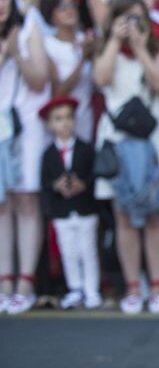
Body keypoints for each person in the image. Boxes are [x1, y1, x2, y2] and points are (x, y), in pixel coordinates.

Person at [93, 0, 159, 314]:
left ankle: (156, 286)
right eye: (124, 16)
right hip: (117, 137)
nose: (130, 23)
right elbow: (101, 78)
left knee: (155, 212)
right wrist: (114, 41)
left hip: (154, 137)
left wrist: (141, 46)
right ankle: (132, 286)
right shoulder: (104, 47)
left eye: (136, 16)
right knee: (124, 216)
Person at [0, 0, 50, 315]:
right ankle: (5, 279)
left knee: (27, 199)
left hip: (26, 125)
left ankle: (25, 282)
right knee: (3, 205)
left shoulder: (29, 22)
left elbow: (39, 79)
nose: (0, 4)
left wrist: (16, 53)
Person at [38, 95, 100, 310]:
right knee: (69, 251)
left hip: (84, 209)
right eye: (58, 118)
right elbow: (45, 181)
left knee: (88, 250)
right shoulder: (48, 154)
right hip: (62, 211)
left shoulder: (85, 149)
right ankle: (75, 287)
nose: (64, 123)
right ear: (50, 124)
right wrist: (56, 185)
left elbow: (94, 175)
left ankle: (91, 289)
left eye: (68, 118)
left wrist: (82, 185)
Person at [40, 0, 94, 142]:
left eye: (72, 5)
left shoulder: (84, 39)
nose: (69, 10)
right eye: (62, 7)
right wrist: (83, 60)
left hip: (88, 116)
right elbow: (58, 92)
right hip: (63, 125)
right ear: (51, 14)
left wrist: (94, 53)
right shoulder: (48, 45)